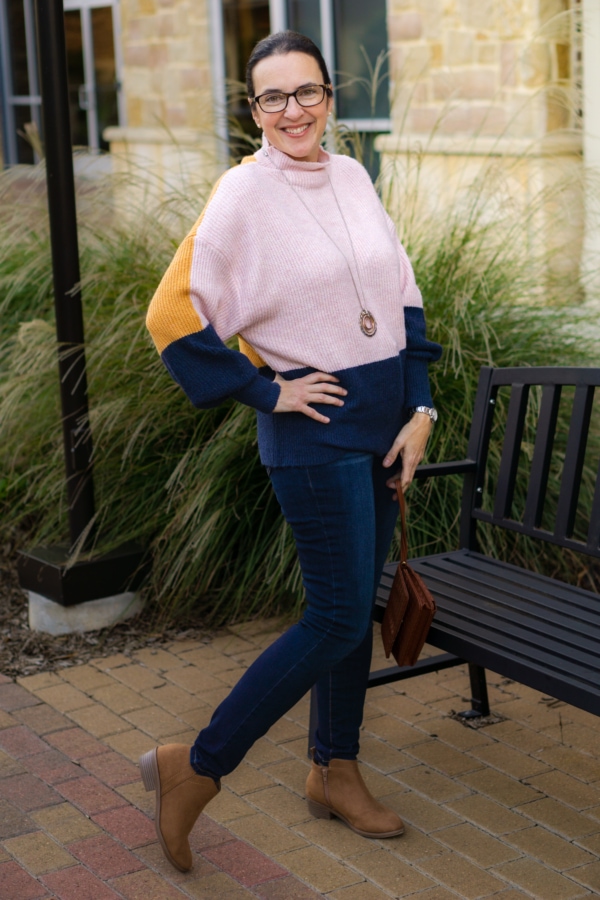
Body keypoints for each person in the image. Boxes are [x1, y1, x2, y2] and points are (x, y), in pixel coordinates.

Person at [142, 30, 442, 873]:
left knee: (349, 618)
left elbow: (405, 296)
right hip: (313, 443)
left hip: (386, 432)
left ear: (328, 96)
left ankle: (333, 771)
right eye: (272, 98)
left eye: (305, 92)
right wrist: (266, 390)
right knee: (339, 616)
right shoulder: (242, 194)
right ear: (253, 110)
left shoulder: (351, 175)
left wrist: (420, 406)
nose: (292, 111)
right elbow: (172, 317)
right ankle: (192, 769)